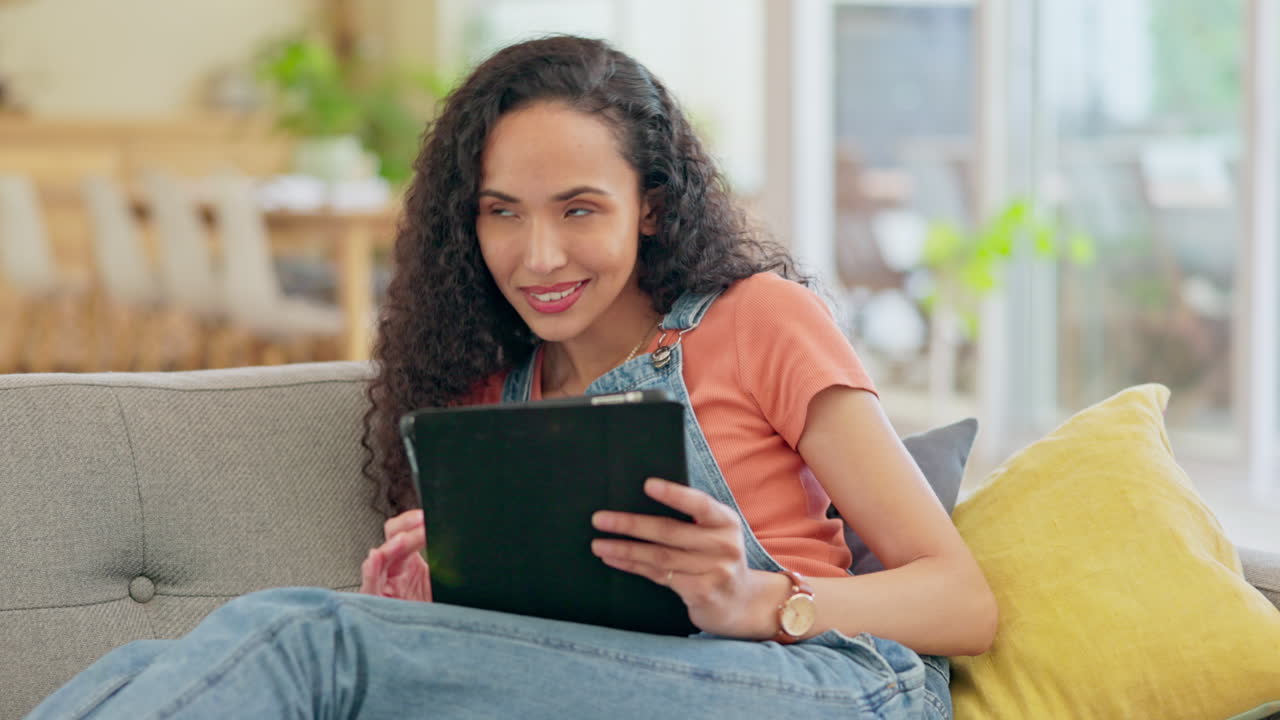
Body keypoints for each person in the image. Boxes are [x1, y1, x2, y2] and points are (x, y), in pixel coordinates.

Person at [25, 35, 995, 720]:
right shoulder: (494, 394)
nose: (538, 256)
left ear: (649, 206)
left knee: (303, 638)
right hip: (629, 681)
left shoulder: (758, 321)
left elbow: (961, 603)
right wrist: (434, 583)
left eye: (578, 209)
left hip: (824, 683)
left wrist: (755, 598)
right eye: (502, 213)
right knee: (164, 658)